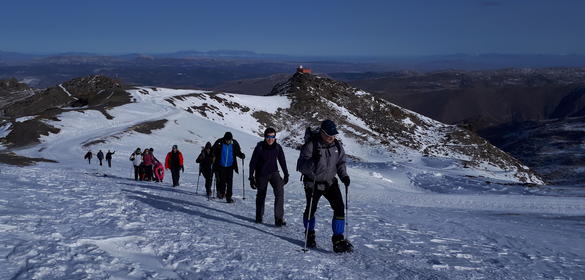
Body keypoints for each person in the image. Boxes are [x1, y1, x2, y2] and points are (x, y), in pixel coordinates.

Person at [297, 120, 353, 253]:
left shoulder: (336, 145)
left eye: (333, 134)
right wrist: (312, 163)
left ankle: (338, 239)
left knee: (339, 207)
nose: (331, 137)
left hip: (330, 182)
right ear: (322, 132)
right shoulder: (311, 146)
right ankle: (309, 234)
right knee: (311, 209)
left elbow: (340, 163)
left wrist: (344, 176)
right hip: (313, 183)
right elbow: (300, 166)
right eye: (329, 134)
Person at [249, 128, 289, 226]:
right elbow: (253, 163)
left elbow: (282, 161)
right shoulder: (259, 147)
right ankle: (259, 216)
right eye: (268, 137)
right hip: (261, 174)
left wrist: (286, 174)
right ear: (265, 137)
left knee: (279, 192)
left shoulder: (277, 148)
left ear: (275, 137)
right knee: (261, 195)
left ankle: (279, 218)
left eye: (272, 137)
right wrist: (251, 177)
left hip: (274, 173)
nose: (270, 139)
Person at [212, 132, 245, 203]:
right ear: (224, 138)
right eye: (227, 140)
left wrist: (241, 155)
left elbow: (237, 152)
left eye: (229, 140)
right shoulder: (219, 142)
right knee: (222, 181)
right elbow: (213, 150)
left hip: (230, 166)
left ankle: (228, 197)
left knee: (230, 182)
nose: (228, 141)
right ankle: (222, 192)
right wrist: (213, 155)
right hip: (221, 166)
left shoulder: (234, 143)